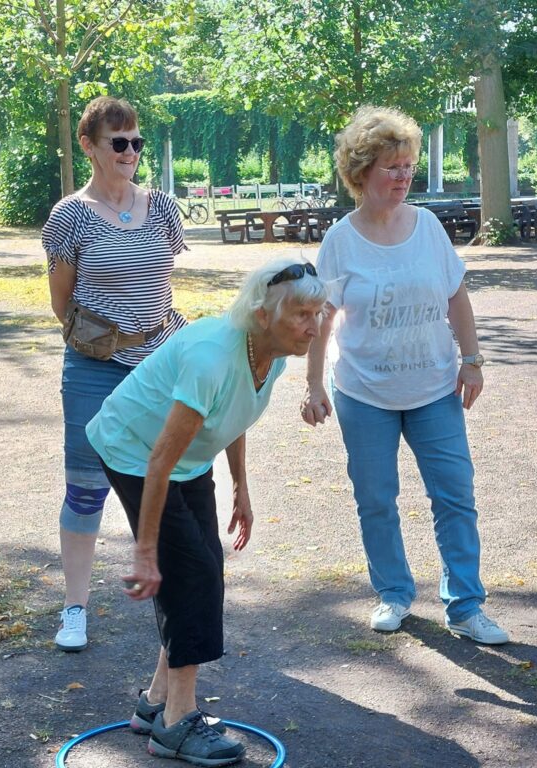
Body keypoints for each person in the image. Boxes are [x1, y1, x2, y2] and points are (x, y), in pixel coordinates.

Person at [87, 259, 327, 766]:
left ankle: (156, 704)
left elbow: (236, 410)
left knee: (199, 567)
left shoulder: (274, 352)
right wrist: (145, 551)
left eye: (318, 312)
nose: (315, 325)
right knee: (192, 571)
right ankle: (176, 723)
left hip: (187, 458)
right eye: (303, 313)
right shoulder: (211, 355)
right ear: (263, 314)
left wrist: (241, 486)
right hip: (135, 450)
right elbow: (158, 461)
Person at [300, 105, 509, 645]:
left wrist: (473, 359)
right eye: (391, 167)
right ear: (361, 172)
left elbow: (455, 294)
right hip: (364, 392)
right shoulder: (342, 240)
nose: (403, 176)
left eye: (408, 166)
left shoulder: (429, 227)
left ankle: (465, 605)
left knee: (455, 495)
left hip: (435, 387)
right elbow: (321, 317)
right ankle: (393, 593)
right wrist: (314, 385)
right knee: (376, 497)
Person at [42, 96, 188, 652]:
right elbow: (63, 301)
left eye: (136, 143)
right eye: (118, 142)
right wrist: (106, 342)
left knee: (169, 478)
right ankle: (74, 610)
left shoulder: (164, 208)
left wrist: (151, 341)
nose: (130, 153)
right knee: (85, 489)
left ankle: (174, 598)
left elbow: (160, 280)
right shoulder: (70, 216)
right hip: (94, 367)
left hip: (161, 360)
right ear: (89, 146)